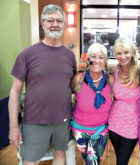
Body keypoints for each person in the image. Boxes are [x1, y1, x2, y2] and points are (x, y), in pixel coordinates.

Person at [8, 4, 76, 165]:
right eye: (50, 20)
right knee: (31, 160)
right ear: (42, 23)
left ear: (64, 24)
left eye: (59, 20)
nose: (55, 24)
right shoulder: (27, 54)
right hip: (34, 121)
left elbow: (72, 86)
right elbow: (15, 91)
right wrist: (13, 126)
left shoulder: (69, 55)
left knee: (60, 153)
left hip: (63, 120)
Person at [70, 43, 114, 165]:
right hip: (79, 129)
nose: (97, 61)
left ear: (105, 61)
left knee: (93, 162)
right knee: (87, 160)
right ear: (88, 59)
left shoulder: (110, 80)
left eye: (101, 57)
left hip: (100, 129)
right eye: (93, 56)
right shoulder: (78, 79)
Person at [108, 37, 140, 165]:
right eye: (119, 53)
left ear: (133, 52)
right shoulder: (114, 71)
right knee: (120, 159)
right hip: (113, 123)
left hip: (132, 126)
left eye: (126, 52)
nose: (123, 56)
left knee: (122, 161)